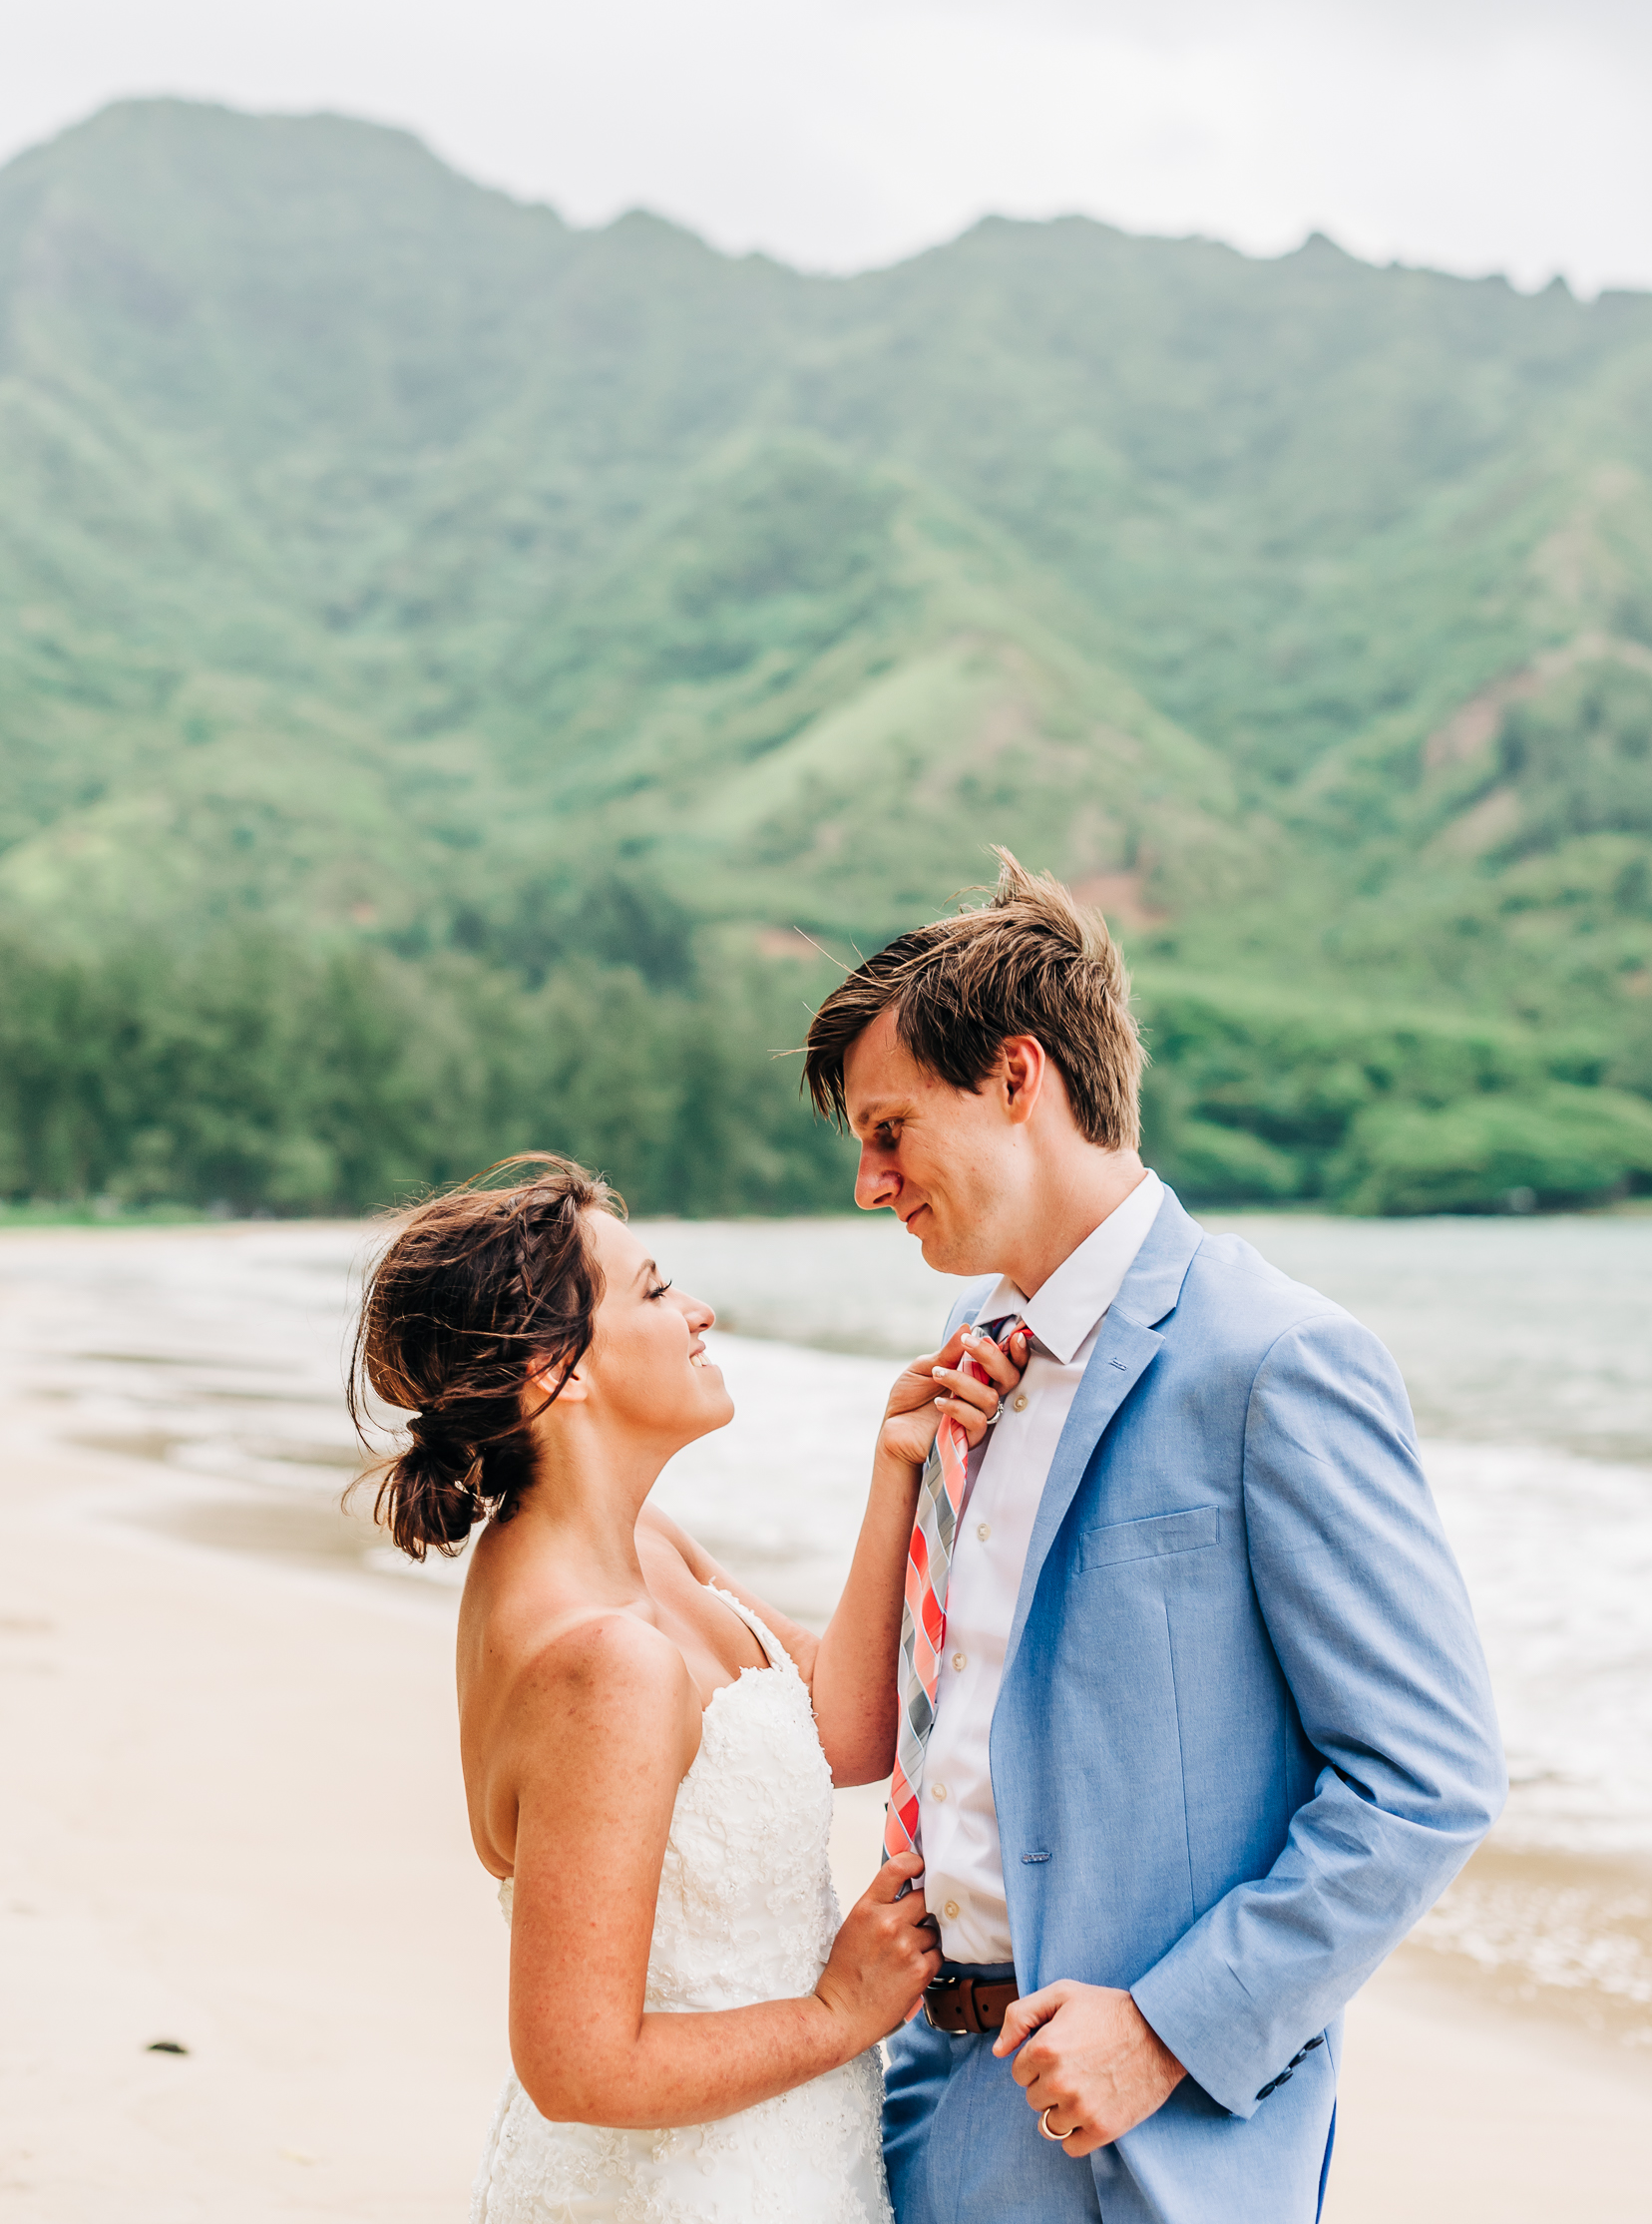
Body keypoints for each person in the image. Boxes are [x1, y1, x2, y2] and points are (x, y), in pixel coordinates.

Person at [802, 851, 1506, 2224]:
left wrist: (1169, 2029)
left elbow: (1428, 1776)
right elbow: (957, 1706)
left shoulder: (1276, 1361)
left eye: (890, 1131)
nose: (871, 1185)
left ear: (1018, 1078)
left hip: (1156, 2141)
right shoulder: (966, 1352)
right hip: (932, 2098)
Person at [346, 1156, 1027, 2224]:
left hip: (776, 2156)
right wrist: (840, 2012)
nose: (699, 1309)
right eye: (657, 1288)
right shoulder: (601, 1660)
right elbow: (577, 2066)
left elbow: (844, 1731)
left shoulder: (643, 1548)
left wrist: (899, 1465)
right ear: (554, 1370)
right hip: (680, 2190)